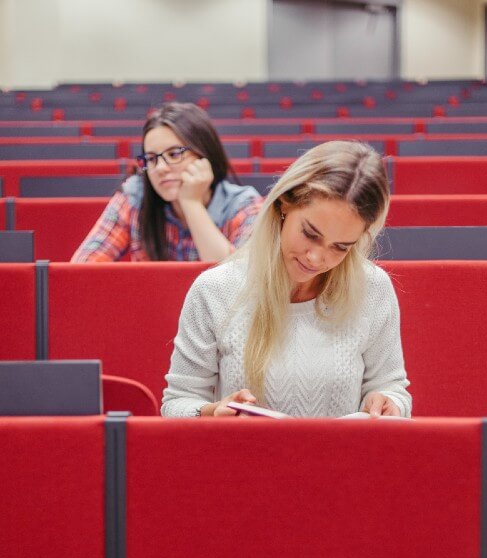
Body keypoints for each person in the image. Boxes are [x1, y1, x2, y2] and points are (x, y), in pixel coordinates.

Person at [161, 140, 411, 419]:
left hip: (342, 460)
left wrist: (389, 403)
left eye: (341, 247)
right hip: (243, 458)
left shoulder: (372, 288)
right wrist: (213, 412)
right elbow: (177, 403)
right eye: (310, 234)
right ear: (284, 205)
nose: (316, 258)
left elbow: (392, 387)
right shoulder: (215, 290)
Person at [71, 102, 263, 263]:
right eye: (151, 158)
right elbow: (82, 271)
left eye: (174, 154)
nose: (160, 168)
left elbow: (236, 284)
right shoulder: (134, 196)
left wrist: (191, 203)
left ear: (205, 155)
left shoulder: (244, 205)